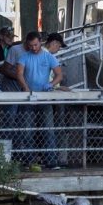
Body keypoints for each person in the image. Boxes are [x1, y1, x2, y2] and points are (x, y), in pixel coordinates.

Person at [16, 31, 65, 166]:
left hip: (44, 97)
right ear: (27, 45)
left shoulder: (48, 57)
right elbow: (19, 73)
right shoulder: (24, 57)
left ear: (40, 42)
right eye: (31, 45)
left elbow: (59, 75)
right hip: (28, 97)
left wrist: (50, 84)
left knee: (48, 129)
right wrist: (25, 88)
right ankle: (29, 160)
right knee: (27, 129)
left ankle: (51, 159)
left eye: (36, 45)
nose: (34, 48)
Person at [0, 25, 25, 91]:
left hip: (10, 82)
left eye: (12, 37)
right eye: (8, 36)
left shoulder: (13, 48)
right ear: (1, 36)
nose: (11, 39)